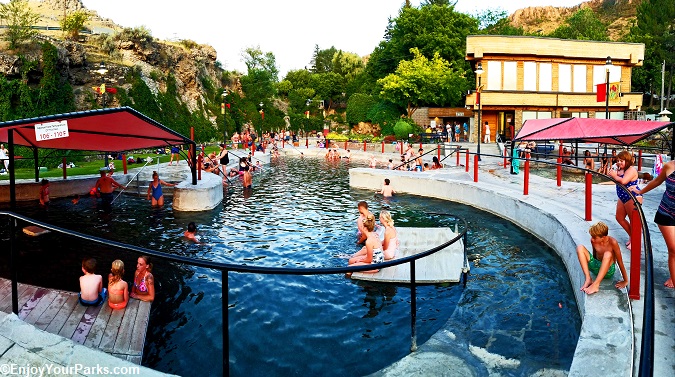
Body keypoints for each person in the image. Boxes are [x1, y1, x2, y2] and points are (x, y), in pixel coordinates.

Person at [631, 159, 675, 288]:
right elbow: (657, 181)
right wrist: (640, 192)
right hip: (667, 213)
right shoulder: (669, 166)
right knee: (673, 250)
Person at [576, 222, 628, 295]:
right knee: (580, 248)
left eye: (594, 237)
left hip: (607, 271)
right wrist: (591, 264)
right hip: (596, 267)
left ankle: (596, 285)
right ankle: (588, 279)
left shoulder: (613, 242)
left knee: (607, 254)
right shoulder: (593, 241)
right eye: (592, 237)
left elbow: (620, 261)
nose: (592, 239)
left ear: (603, 237)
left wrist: (625, 281)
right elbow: (594, 255)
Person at [609, 151, 643, 249]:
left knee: (634, 220)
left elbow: (624, 181)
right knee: (619, 217)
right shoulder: (620, 169)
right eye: (618, 160)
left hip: (632, 196)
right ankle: (632, 236)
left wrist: (615, 175)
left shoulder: (631, 170)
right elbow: (613, 177)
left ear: (627, 161)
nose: (619, 162)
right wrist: (614, 169)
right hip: (622, 196)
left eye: (622, 160)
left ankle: (636, 240)